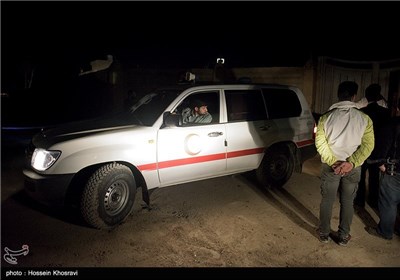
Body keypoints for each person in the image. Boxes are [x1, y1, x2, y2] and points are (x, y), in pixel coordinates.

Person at [315, 81, 374, 246]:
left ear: (338, 95)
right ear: (354, 96)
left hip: (330, 166)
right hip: (353, 168)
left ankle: (324, 234)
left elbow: (320, 143)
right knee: (348, 201)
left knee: (327, 200)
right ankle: (343, 236)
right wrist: (351, 163)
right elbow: (368, 145)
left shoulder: (325, 117)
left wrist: (334, 162)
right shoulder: (364, 119)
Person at [365, 98, 400, 240]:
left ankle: (385, 231)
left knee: (389, 201)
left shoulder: (393, 124)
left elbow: (383, 145)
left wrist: (380, 163)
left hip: (394, 169)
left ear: (398, 107)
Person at [355, 84, 391, 208]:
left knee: (361, 175)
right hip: (378, 149)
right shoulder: (386, 113)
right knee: (374, 176)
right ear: (378, 96)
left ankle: (359, 200)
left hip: (363, 148)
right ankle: (373, 200)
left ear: (366, 96)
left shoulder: (361, 112)